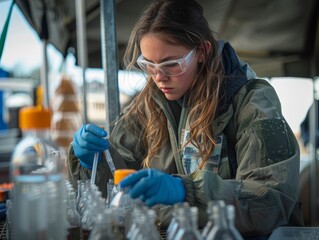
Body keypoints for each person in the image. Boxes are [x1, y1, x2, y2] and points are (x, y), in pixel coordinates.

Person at [67, 0, 303, 238]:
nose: (159, 78)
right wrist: (92, 162)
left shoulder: (252, 101)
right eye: (149, 65)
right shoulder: (148, 104)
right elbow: (120, 183)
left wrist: (189, 191)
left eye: (172, 64)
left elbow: (271, 201)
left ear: (202, 51)